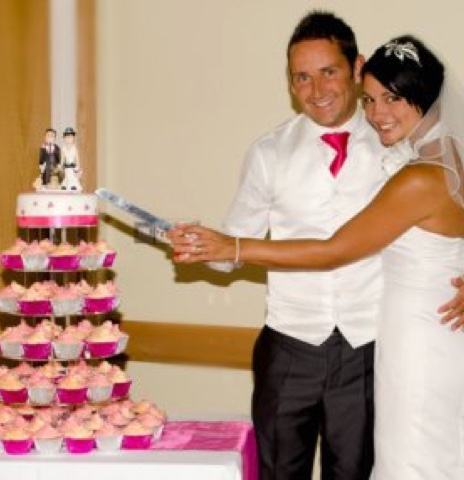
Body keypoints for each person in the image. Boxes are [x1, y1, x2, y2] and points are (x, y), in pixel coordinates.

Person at [170, 35, 464, 479]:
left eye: (329, 72)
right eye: (301, 77)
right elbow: (232, 242)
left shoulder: (402, 152)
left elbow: (338, 249)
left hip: (372, 347)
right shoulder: (269, 152)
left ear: (354, 67)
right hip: (291, 344)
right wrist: (206, 246)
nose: (317, 89)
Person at [60, 127, 83, 192]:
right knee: (67, 176)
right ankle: (65, 185)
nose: (69, 139)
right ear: (64, 138)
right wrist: (61, 166)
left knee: (72, 176)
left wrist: (78, 168)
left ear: (73, 138)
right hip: (66, 166)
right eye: (67, 137)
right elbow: (62, 158)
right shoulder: (63, 148)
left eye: (70, 137)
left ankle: (73, 185)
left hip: (73, 167)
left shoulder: (74, 148)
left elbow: (77, 159)